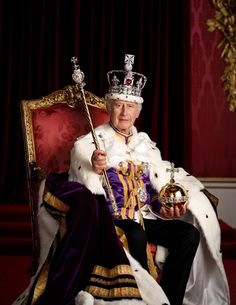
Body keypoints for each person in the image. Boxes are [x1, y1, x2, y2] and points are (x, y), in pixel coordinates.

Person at [13, 55, 230, 305]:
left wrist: (167, 210)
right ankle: (143, 301)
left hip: (142, 216)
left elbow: (152, 193)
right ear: (109, 107)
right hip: (109, 218)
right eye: (118, 105)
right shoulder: (91, 143)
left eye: (130, 106)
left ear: (138, 111)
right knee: (136, 234)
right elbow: (80, 174)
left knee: (187, 234)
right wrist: (93, 165)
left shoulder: (146, 146)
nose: (124, 111)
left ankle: (169, 300)